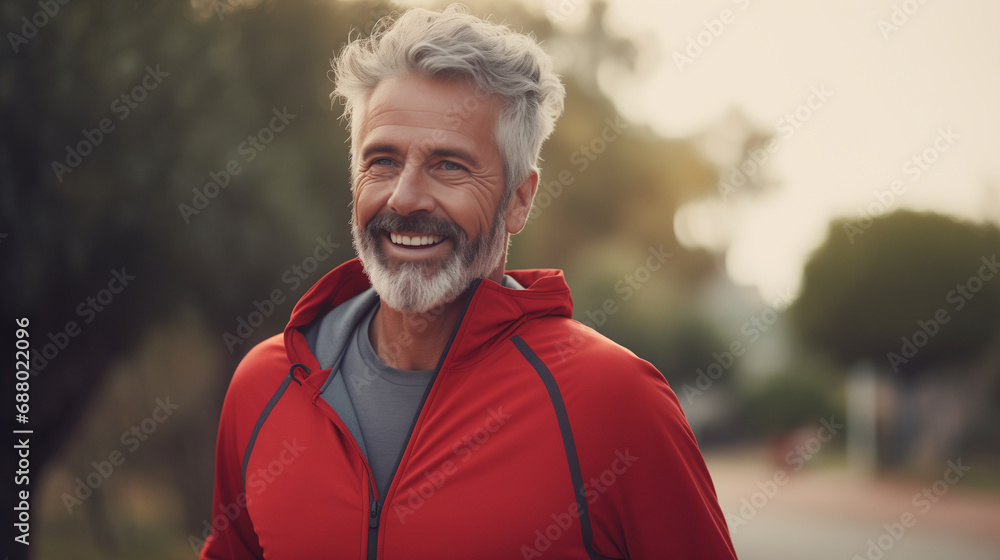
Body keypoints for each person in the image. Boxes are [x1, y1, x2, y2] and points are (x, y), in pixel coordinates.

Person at [199, 5, 737, 559]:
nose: (405, 198)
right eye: (382, 161)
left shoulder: (616, 401)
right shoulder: (266, 384)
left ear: (519, 200)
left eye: (449, 165)